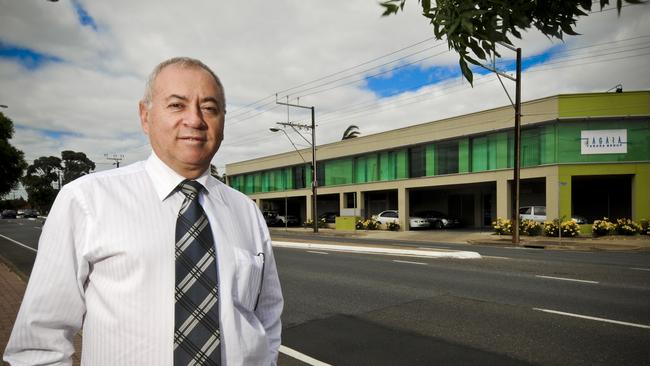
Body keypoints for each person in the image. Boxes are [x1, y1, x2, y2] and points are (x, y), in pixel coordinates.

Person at [4, 57, 283, 365]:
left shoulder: (247, 212)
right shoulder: (86, 200)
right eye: (177, 105)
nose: (195, 120)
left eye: (210, 108)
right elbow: (40, 342)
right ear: (145, 116)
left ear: (222, 121)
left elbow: (267, 318)